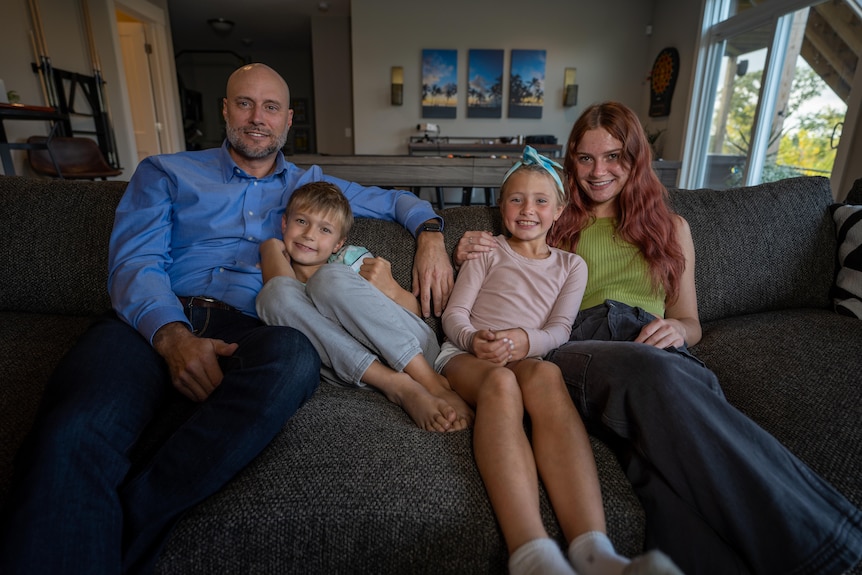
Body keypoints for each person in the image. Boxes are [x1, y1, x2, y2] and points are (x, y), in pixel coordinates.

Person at [0, 62, 453, 575]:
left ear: (287, 121)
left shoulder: (312, 183)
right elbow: (134, 263)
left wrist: (433, 235)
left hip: (251, 328)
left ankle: (119, 521)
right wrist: (171, 335)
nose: (257, 118)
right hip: (155, 319)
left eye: (271, 107)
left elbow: (397, 200)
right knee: (75, 430)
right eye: (244, 103)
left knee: (293, 360)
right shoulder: (165, 172)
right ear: (225, 110)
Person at [454, 102, 862, 575]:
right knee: (654, 375)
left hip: (653, 346)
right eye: (584, 159)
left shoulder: (673, 228)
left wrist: (678, 329)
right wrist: (467, 245)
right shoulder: (558, 220)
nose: (598, 171)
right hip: (580, 340)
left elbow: (690, 320)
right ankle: (835, 552)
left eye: (613, 156)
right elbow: (514, 259)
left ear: (635, 158)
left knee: (662, 451)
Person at [438, 146, 681, 575]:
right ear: (501, 206)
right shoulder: (488, 252)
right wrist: (475, 340)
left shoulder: (571, 266)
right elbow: (453, 315)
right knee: (500, 384)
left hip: (524, 356)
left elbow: (559, 331)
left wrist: (521, 342)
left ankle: (594, 552)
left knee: (547, 373)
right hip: (465, 356)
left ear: (559, 211)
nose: (527, 209)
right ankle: (531, 554)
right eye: (516, 199)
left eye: (540, 200)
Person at [255, 181, 471, 432]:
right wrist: (270, 247)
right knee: (271, 296)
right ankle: (399, 387)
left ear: (338, 243)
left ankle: (431, 383)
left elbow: (413, 312)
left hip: (415, 349)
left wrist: (390, 288)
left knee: (326, 278)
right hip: (358, 371)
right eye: (301, 222)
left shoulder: (348, 259)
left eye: (325, 229)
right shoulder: (288, 285)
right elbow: (278, 293)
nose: (309, 235)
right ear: (284, 224)